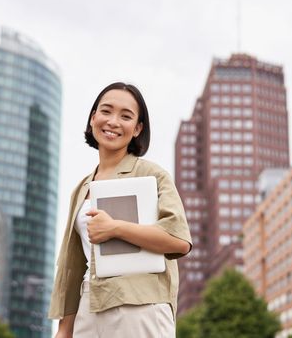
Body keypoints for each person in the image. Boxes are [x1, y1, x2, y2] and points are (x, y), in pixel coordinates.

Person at [49, 82, 192, 338]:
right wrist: (64, 328)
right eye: (106, 111)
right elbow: (73, 264)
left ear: (137, 129)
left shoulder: (152, 174)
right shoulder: (82, 187)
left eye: (126, 116)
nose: (113, 121)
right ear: (93, 118)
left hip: (139, 305)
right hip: (89, 308)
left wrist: (116, 228)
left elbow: (179, 241)